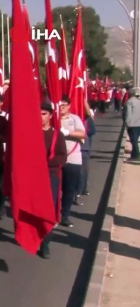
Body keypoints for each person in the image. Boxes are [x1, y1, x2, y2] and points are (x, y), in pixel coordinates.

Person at [38, 102, 68, 259]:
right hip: (35, 177)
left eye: (44, 113)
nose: (41, 117)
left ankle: (45, 243)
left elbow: (62, 156)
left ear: (50, 115)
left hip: (51, 176)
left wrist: (45, 163)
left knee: (49, 210)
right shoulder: (33, 134)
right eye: (39, 113)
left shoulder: (57, 135)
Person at [59, 95, 86, 228]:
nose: (62, 107)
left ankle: (64, 215)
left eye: (64, 105)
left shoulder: (75, 119)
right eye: (60, 105)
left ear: (69, 106)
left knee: (69, 189)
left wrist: (67, 132)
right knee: (55, 188)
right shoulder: (52, 119)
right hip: (55, 159)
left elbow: (82, 134)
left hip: (73, 158)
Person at [78, 103, 97, 197]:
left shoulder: (87, 119)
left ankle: (82, 188)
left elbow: (92, 131)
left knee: (83, 170)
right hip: (81, 148)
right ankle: (80, 189)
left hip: (83, 148)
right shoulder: (84, 118)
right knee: (81, 170)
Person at [124, 88, 140, 161]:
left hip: (132, 124)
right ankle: (134, 155)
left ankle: (136, 155)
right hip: (138, 124)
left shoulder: (129, 102)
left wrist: (127, 123)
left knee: (133, 141)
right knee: (135, 140)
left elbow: (128, 114)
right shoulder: (138, 101)